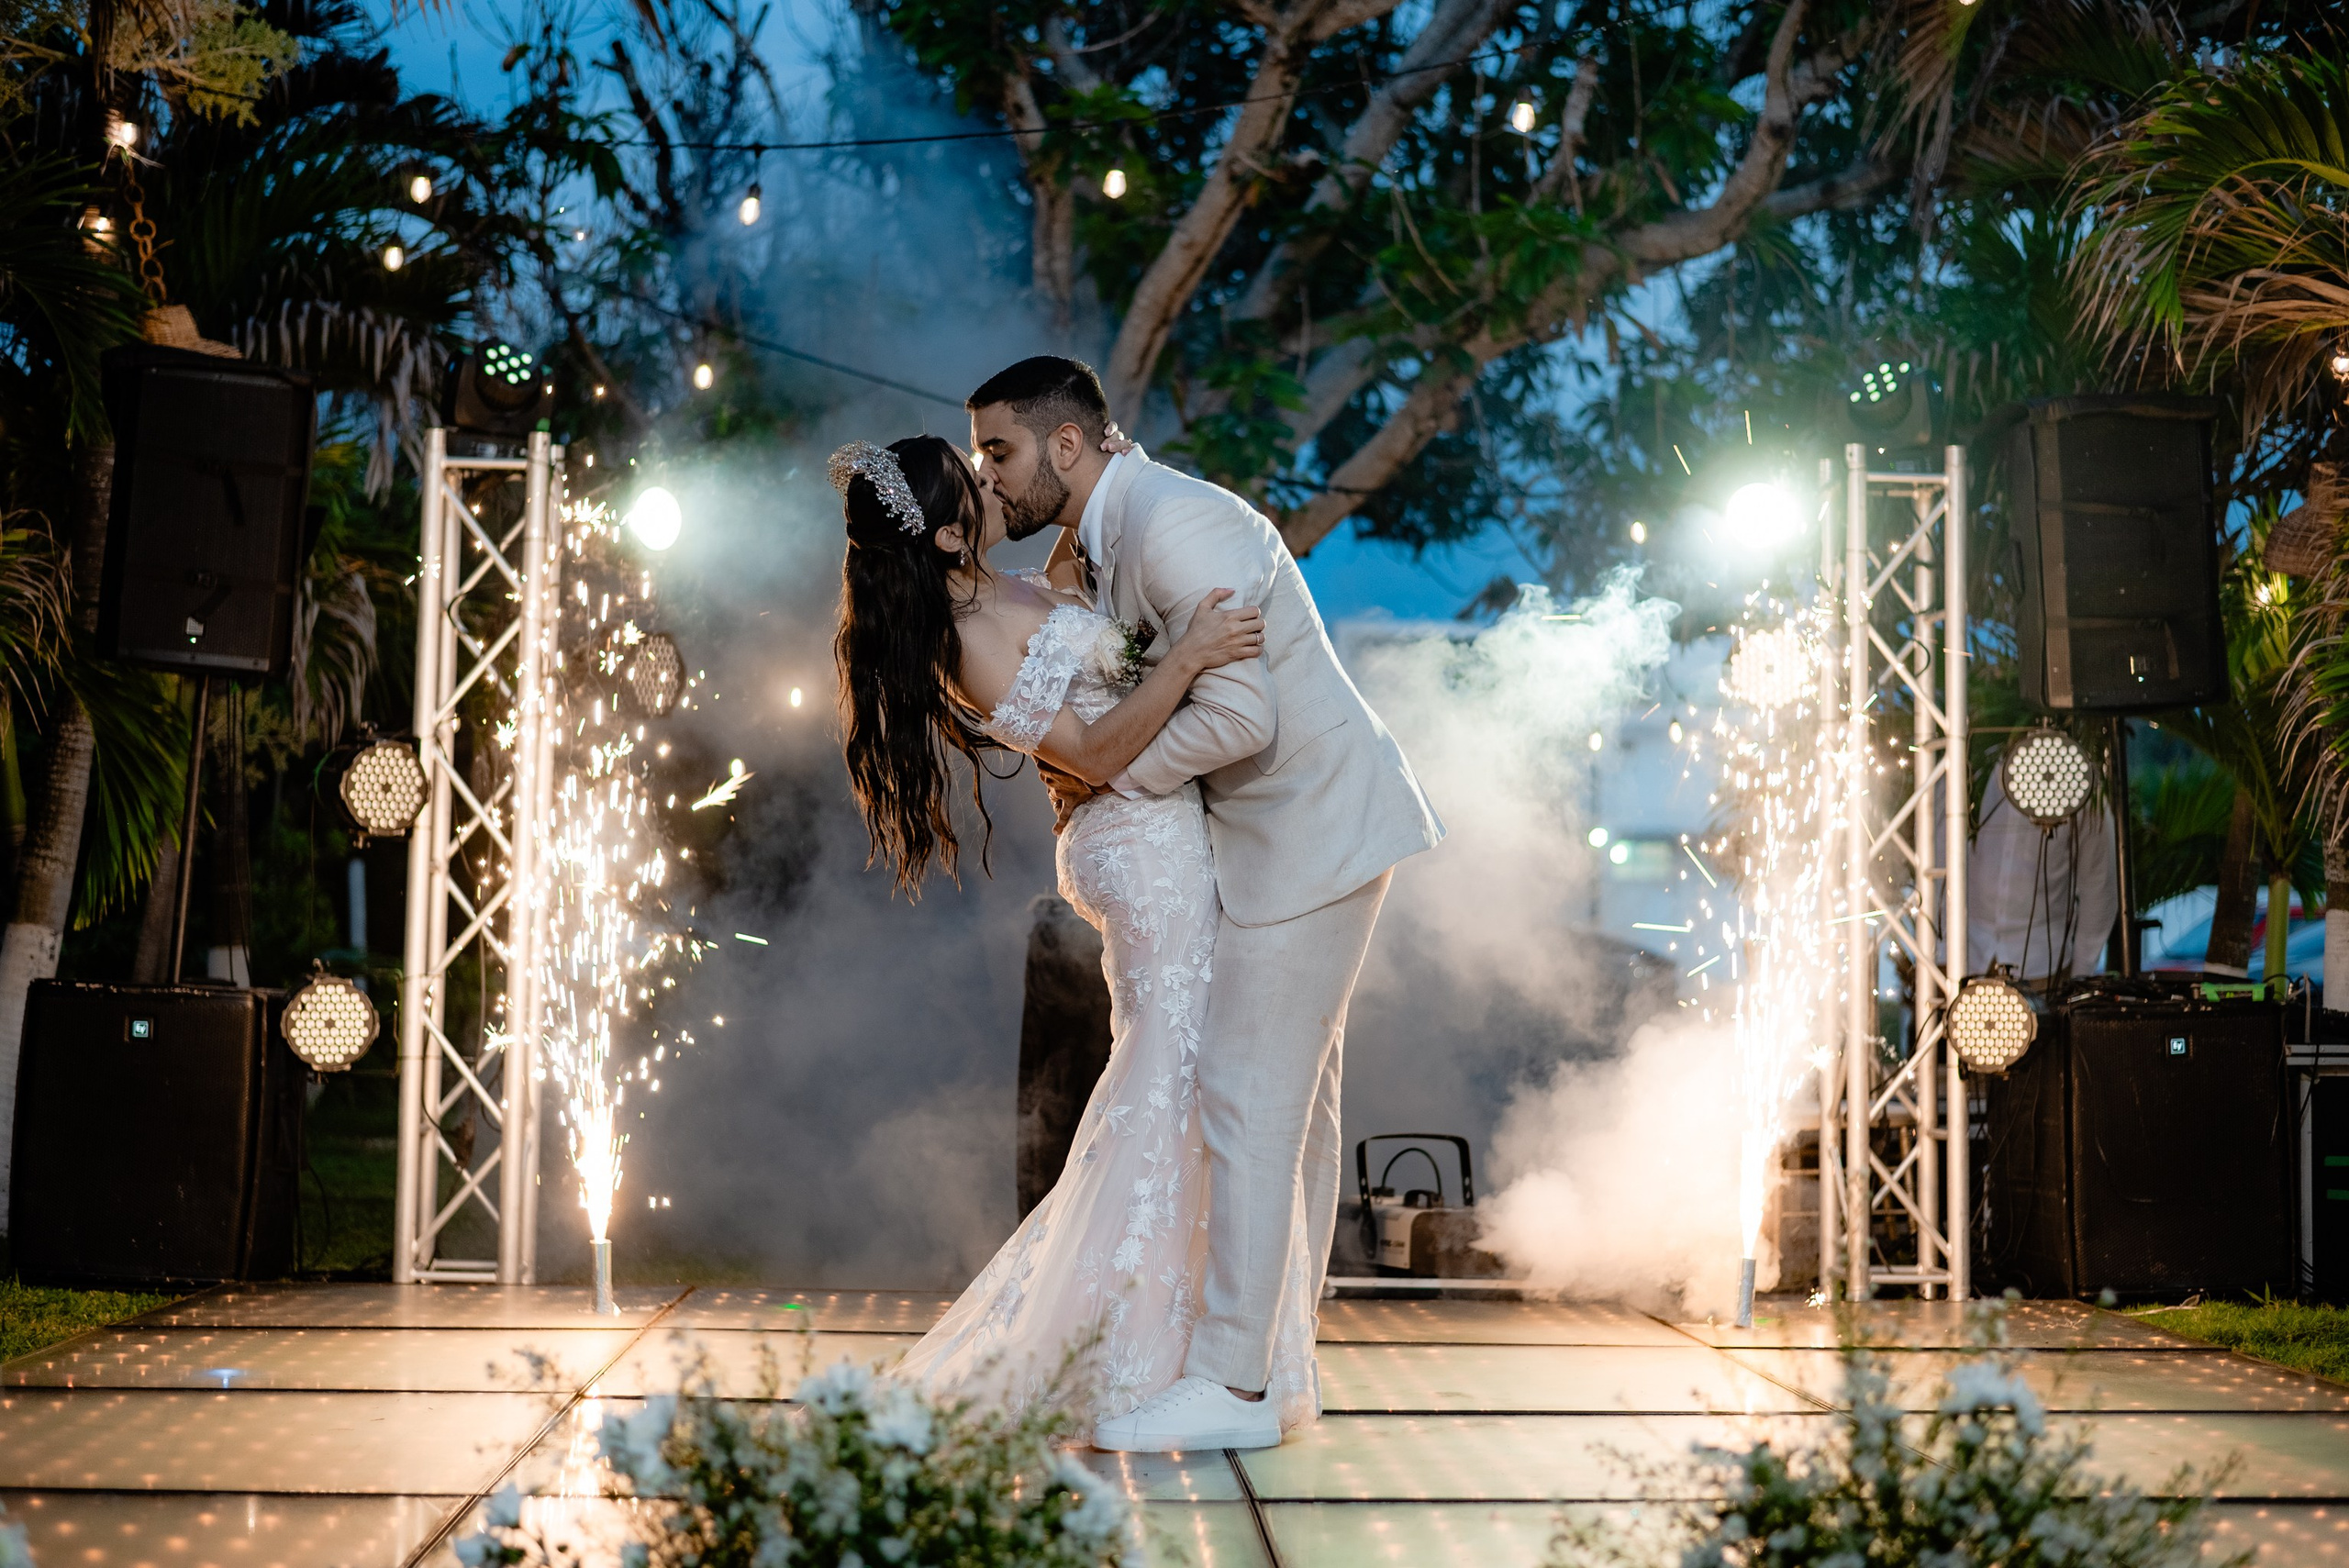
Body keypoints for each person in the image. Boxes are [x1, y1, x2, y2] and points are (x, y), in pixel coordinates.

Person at [963, 357, 1443, 1452]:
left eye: (1000, 451)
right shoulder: (1095, 541)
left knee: (1242, 1093)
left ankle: (1229, 1384)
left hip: (1312, 834)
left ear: (1069, 446)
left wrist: (1111, 771)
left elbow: (1240, 722)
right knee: (1289, 1114)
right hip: (1269, 841)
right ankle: (1275, 1371)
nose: (988, 478)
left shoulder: (1177, 524)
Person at [830, 432, 1277, 1429]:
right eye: (974, 475)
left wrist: (1117, 462)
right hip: (1135, 841)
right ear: (948, 535)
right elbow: (1097, 749)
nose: (993, 479)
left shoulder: (1017, 585)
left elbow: (1100, 540)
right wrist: (1194, 657)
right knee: (1171, 1076)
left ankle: (1195, 1339)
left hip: (1157, 830)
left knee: (1190, 1076)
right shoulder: (968, 641)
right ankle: (1129, 1351)